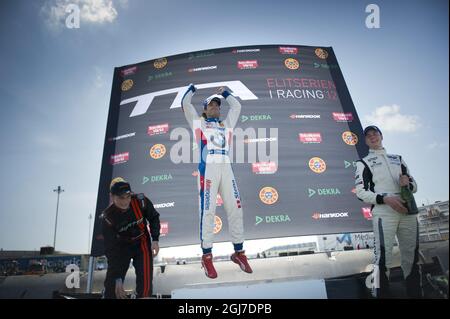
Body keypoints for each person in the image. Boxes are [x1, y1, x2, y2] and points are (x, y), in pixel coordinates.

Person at [181, 83, 253, 279]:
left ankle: (238, 253)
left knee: (236, 209)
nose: (215, 107)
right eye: (211, 105)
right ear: (204, 109)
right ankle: (206, 257)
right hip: (208, 169)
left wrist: (226, 94)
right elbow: (185, 103)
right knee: (208, 212)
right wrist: (193, 88)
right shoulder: (198, 123)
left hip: (226, 168)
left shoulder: (226, 125)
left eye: (218, 105)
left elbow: (237, 107)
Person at [355, 125, 422, 298]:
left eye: (375, 133)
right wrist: (385, 199)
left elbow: (414, 187)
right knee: (382, 259)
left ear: (381, 136)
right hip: (384, 213)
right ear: (365, 140)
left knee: (411, 257)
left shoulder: (398, 158)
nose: (372, 137)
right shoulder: (363, 163)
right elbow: (361, 193)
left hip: (407, 211)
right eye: (368, 135)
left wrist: (408, 184)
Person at [101, 178, 160, 298]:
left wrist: (155, 240)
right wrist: (117, 279)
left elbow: (154, 217)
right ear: (112, 196)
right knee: (113, 288)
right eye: (120, 198)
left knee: (145, 284)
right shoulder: (107, 218)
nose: (125, 202)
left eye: (127, 197)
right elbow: (111, 250)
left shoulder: (140, 201)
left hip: (142, 242)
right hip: (121, 247)